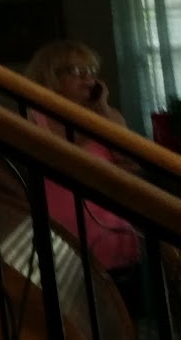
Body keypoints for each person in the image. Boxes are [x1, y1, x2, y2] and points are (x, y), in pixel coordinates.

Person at [24, 40, 145, 317]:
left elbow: (132, 163)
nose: (89, 79)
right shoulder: (33, 119)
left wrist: (102, 109)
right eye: (78, 71)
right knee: (72, 325)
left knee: (124, 321)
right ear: (51, 75)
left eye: (91, 71)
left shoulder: (107, 117)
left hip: (111, 239)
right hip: (60, 245)